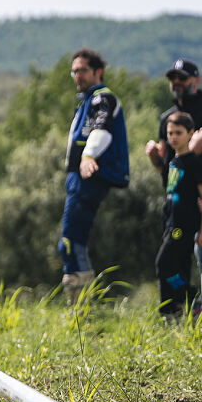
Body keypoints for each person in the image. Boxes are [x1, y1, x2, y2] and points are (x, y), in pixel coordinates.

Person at [59, 48, 129, 304]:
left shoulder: (102, 98)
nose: (78, 75)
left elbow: (101, 131)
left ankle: (82, 311)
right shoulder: (89, 99)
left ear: (97, 72)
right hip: (79, 179)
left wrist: (88, 156)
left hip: (89, 177)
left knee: (69, 244)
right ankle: (82, 310)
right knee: (71, 243)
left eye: (83, 70)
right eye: (74, 71)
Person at [154, 111, 202, 319]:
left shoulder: (194, 163)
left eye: (178, 133)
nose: (173, 137)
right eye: (170, 133)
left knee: (163, 264)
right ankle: (171, 312)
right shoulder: (174, 162)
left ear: (190, 134)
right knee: (177, 269)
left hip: (184, 226)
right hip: (170, 224)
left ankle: (191, 294)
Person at [144, 58, 202, 186]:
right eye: (172, 78)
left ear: (196, 81)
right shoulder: (167, 118)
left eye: (182, 78)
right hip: (175, 194)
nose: (176, 81)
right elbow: (166, 168)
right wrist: (154, 158)